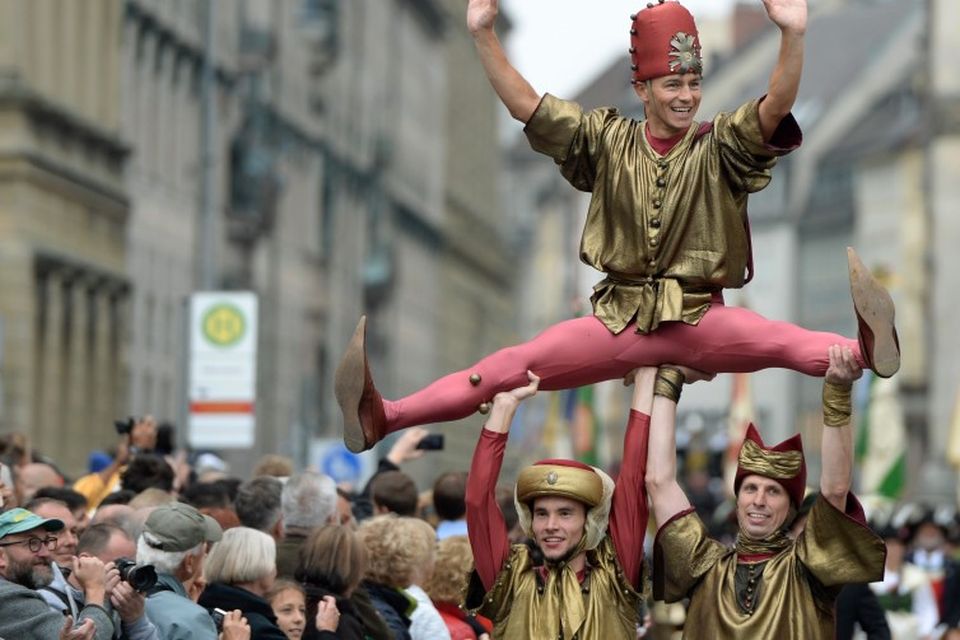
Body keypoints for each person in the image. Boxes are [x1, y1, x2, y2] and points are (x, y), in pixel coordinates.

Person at [334, 0, 901, 455]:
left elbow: (776, 103)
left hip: (699, 318)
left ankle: (866, 348)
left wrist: (792, 35)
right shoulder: (606, 138)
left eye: (693, 84)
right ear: (643, 90)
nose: (687, 97)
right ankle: (383, 417)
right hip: (617, 319)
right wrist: (484, 34)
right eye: (673, 86)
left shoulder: (721, 143)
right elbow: (526, 106)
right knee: (502, 368)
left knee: (781, 340)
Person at [646, 346, 887, 637]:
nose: (758, 500)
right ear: (737, 500)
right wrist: (669, 380)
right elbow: (659, 482)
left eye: (773, 491)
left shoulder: (808, 568)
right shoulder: (702, 565)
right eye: (750, 488)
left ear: (791, 508)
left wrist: (838, 391)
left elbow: (835, 489)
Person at [463, 368, 658, 639]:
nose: (550, 525)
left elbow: (633, 480)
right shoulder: (510, 582)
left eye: (565, 514)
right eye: (541, 514)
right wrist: (503, 410)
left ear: (588, 520)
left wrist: (645, 381)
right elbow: (477, 502)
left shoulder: (615, 578)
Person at [0, 508, 114, 640]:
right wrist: (97, 591)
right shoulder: (9, 596)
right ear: (1, 556)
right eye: (32, 543)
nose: (46, 553)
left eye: (47, 542)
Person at [135, 502, 223, 639]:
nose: (205, 557)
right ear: (189, 562)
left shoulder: (113, 588)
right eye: (204, 552)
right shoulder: (191, 620)